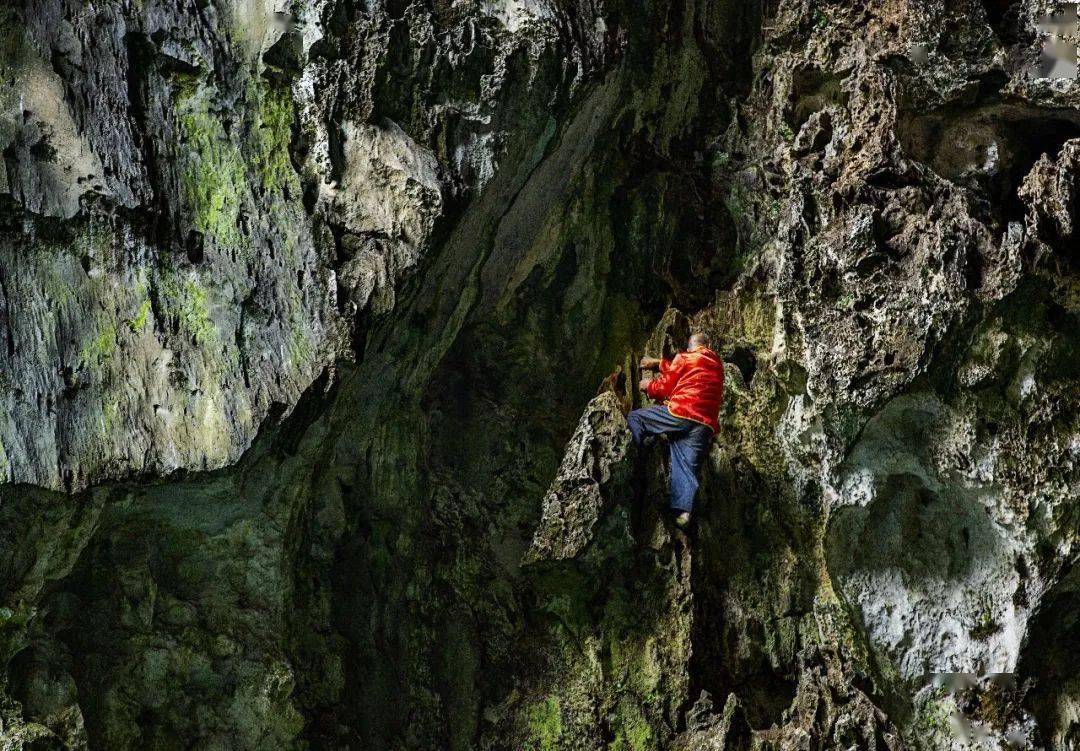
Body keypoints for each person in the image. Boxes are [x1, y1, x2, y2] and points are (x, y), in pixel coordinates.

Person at [628, 331, 724, 529]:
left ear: (691, 346)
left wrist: (649, 385)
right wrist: (658, 363)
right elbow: (682, 371)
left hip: (682, 412)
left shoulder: (686, 357)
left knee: (636, 418)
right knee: (685, 466)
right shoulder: (716, 366)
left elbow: (666, 386)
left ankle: (633, 459)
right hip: (704, 424)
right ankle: (682, 514)